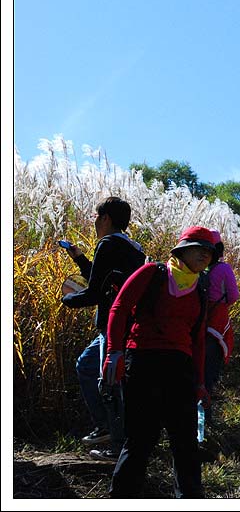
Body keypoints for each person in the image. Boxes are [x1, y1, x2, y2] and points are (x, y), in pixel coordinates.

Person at [103, 226, 215, 498]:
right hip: (143, 362)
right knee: (141, 439)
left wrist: (200, 382)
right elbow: (118, 308)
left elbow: (198, 340)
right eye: (198, 248)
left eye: (209, 251)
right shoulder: (153, 273)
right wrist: (113, 353)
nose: (204, 254)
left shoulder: (200, 289)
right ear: (181, 250)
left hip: (180, 369)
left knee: (185, 443)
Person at [60, 196, 145, 461]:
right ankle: (106, 428)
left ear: (105, 218)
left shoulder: (108, 244)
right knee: (86, 367)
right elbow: (104, 279)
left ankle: (117, 446)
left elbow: (95, 292)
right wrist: (79, 257)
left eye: (96, 217)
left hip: (113, 326)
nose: (95, 222)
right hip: (124, 325)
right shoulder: (134, 248)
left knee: (109, 384)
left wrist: (66, 299)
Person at [203, 230, 240, 421]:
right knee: (208, 373)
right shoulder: (223, 269)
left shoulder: (197, 268)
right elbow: (234, 296)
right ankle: (205, 418)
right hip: (215, 325)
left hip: (195, 324)